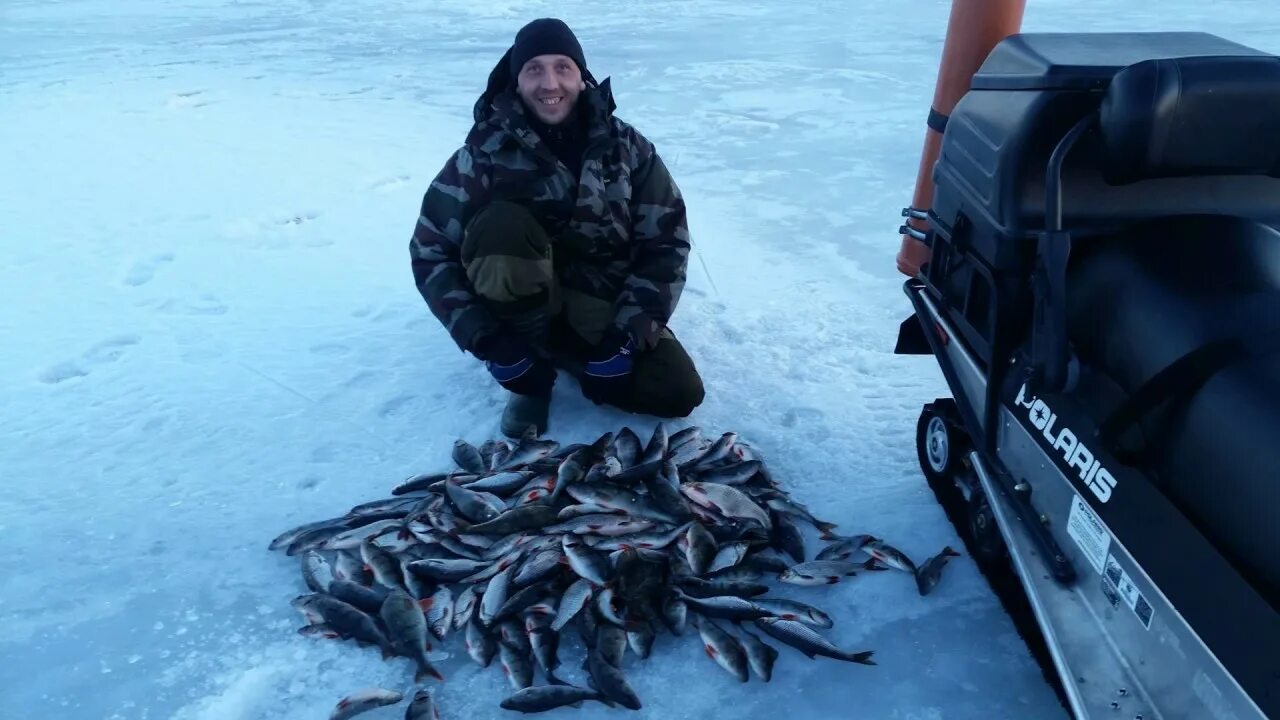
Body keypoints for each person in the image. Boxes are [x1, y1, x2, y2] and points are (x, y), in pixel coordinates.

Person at [409, 18, 705, 438]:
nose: (550, 83)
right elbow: (430, 250)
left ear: (581, 77)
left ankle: (573, 351)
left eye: (562, 67)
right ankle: (529, 376)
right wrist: (488, 341)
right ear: (516, 82)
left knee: (678, 392)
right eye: (534, 69)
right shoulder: (482, 156)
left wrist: (627, 336)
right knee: (501, 227)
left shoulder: (627, 147)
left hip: (599, 296)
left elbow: (666, 242)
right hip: (517, 306)